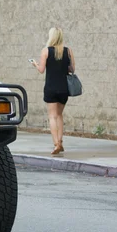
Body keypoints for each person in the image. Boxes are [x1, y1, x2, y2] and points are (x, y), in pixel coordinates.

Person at [32, 27, 76, 155]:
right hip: (64, 88)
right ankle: (60, 142)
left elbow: (41, 70)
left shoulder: (46, 51)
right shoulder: (68, 51)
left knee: (52, 116)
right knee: (59, 115)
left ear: (51, 37)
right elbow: (72, 69)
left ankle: (56, 144)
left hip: (51, 87)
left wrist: (35, 64)